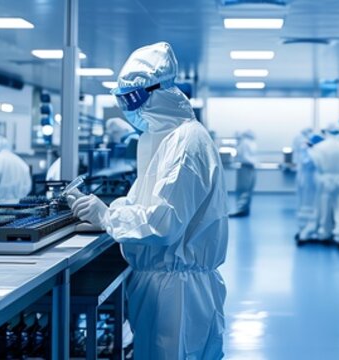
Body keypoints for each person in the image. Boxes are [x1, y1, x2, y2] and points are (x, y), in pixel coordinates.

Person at [68, 42, 227, 359]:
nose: (129, 108)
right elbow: (144, 199)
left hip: (176, 293)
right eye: (123, 99)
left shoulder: (185, 144)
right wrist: (107, 209)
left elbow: (163, 222)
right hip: (161, 285)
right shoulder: (164, 140)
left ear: (160, 91)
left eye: (134, 98)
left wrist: (107, 218)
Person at [303, 122, 339, 246]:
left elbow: (312, 164)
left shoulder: (318, 148)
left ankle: (324, 234)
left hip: (325, 178)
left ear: (326, 132)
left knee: (324, 208)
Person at [230, 129, 257, 217]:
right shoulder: (248, 143)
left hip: (246, 167)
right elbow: (246, 156)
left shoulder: (245, 143)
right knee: (246, 189)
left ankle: (242, 209)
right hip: (248, 167)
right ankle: (243, 209)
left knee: (245, 189)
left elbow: (244, 156)